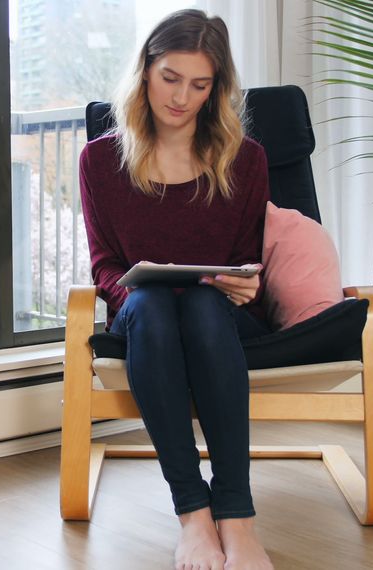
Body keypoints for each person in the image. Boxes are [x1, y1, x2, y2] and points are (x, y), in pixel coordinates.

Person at [79, 9, 274, 570]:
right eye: (170, 77)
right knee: (154, 302)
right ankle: (193, 514)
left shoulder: (247, 159)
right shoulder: (101, 160)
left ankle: (235, 516)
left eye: (199, 84)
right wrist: (138, 287)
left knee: (206, 309)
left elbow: (247, 261)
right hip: (143, 317)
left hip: (219, 317)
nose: (181, 97)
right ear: (145, 71)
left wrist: (244, 285)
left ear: (216, 89)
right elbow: (105, 266)